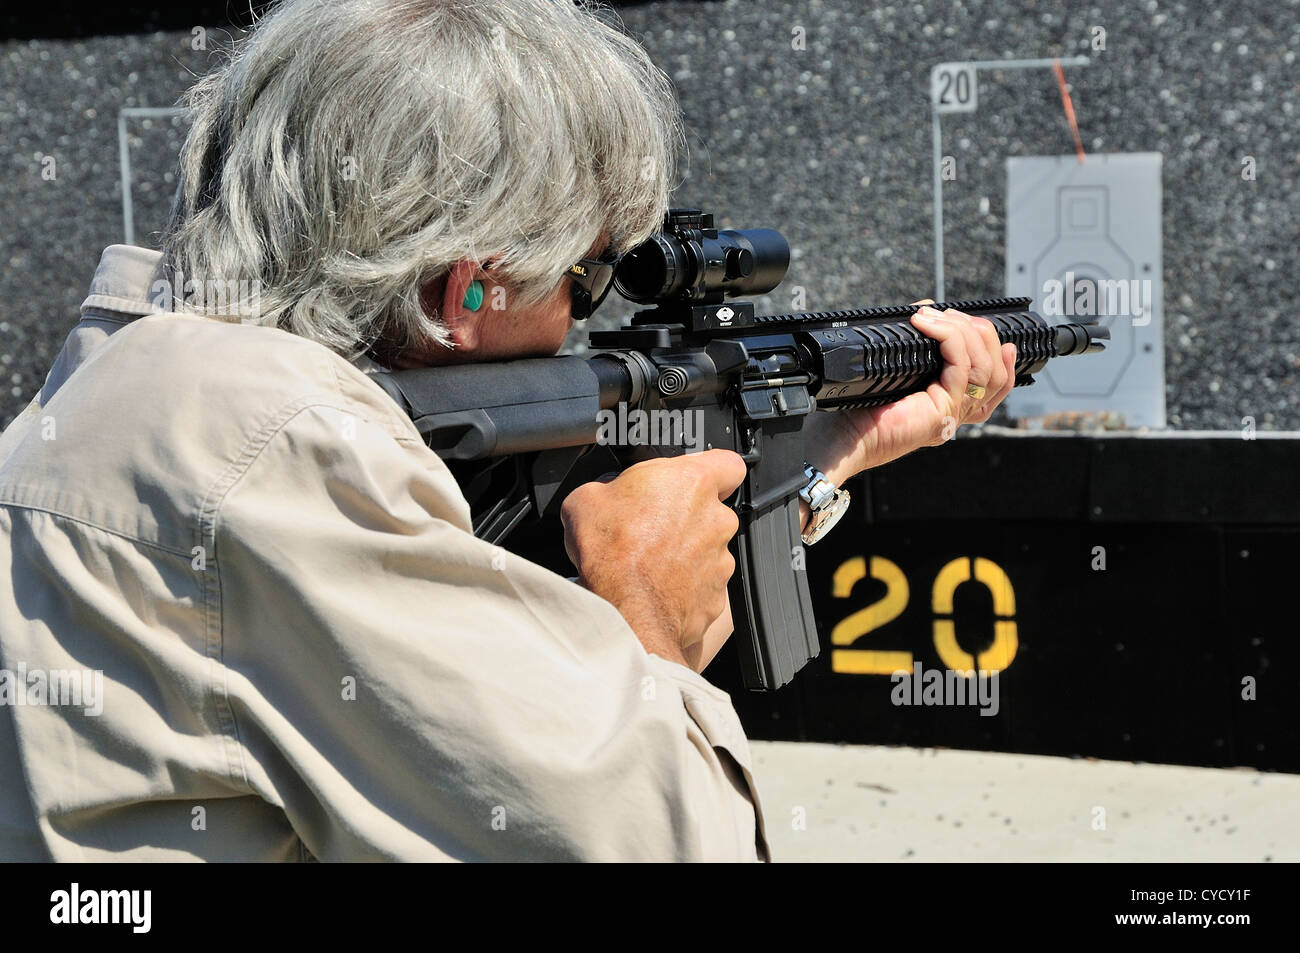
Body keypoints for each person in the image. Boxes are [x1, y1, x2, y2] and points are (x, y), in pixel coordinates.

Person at [0, 0, 1015, 861]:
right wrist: (646, 622)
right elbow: (644, 840)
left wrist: (825, 456)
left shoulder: (133, 384)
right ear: (467, 288)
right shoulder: (282, 448)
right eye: (585, 278)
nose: (586, 320)